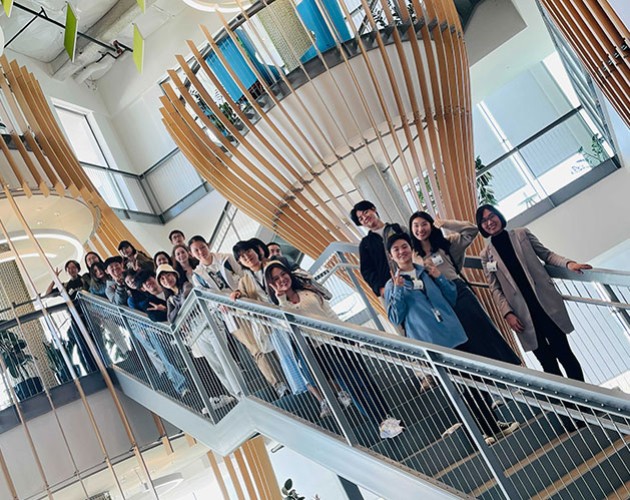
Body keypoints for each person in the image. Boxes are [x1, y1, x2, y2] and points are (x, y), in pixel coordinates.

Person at [385, 233, 519, 445]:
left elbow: (452, 296)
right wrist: (399, 290)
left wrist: (438, 276)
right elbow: (395, 316)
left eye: (404, 247)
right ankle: (481, 432)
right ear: (392, 256)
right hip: (432, 343)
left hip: (455, 333)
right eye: (396, 249)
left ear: (411, 249)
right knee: (459, 387)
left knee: (476, 381)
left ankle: (491, 424)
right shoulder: (393, 285)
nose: (401, 252)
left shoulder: (426, 272)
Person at [265, 260, 403, 437]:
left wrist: (346, 335)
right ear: (271, 285)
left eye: (283, 274)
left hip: (337, 340)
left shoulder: (308, 292)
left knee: (364, 379)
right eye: (275, 279)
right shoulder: (281, 307)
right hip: (320, 350)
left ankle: (388, 416)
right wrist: (281, 299)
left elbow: (330, 315)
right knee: (352, 387)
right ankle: (380, 422)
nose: (282, 279)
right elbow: (289, 324)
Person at [476, 205, 591, 381]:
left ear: (499, 216)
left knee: (565, 354)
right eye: (484, 220)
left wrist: (569, 264)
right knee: (547, 363)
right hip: (521, 315)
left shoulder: (522, 234)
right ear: (481, 226)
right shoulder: (486, 255)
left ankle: (587, 401)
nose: (490, 222)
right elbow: (495, 288)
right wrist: (507, 313)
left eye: (492, 216)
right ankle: (568, 406)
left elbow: (547, 255)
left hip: (545, 305)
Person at [409, 212, 520, 365]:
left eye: (424, 224)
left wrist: (445, 223)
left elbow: (472, 230)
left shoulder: (446, 244)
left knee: (484, 331)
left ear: (431, 225)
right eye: (416, 225)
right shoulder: (413, 257)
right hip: (439, 301)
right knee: (465, 341)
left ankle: (510, 368)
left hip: (459, 292)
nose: (420, 229)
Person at [156, 264, 239, 405]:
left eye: (168, 275)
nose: (166, 279)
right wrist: (178, 309)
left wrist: (178, 310)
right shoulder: (170, 299)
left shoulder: (187, 285)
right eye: (162, 278)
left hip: (210, 323)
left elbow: (186, 298)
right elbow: (171, 319)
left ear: (174, 274)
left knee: (224, 358)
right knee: (216, 366)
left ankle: (240, 391)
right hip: (196, 333)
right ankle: (236, 396)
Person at [350, 200, 405, 300]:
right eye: (361, 219)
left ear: (373, 209)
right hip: (392, 287)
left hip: (412, 275)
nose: (365, 218)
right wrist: (380, 289)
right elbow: (367, 271)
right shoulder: (365, 244)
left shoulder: (397, 229)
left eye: (365, 212)